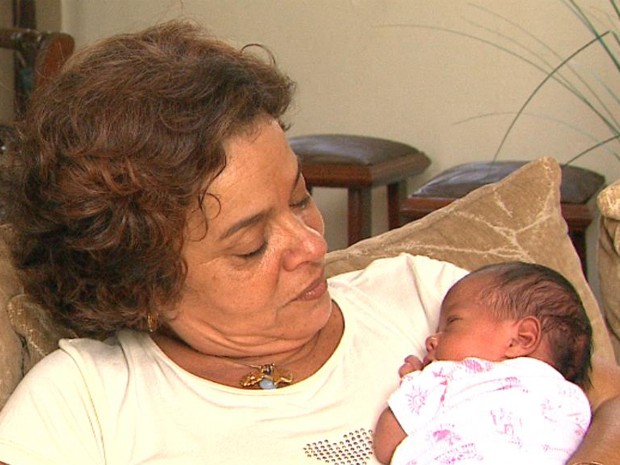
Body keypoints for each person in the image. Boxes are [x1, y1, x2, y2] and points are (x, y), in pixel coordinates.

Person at [0, 20, 618, 465]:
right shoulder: (82, 405)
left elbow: (606, 404)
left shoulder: (432, 301)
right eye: (250, 247)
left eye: (300, 198)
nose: (311, 246)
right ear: (142, 285)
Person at [373, 261, 593, 465]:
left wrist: (412, 381)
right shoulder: (576, 401)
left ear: (521, 339)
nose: (431, 340)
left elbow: (386, 445)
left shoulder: (452, 375)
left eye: (451, 323)